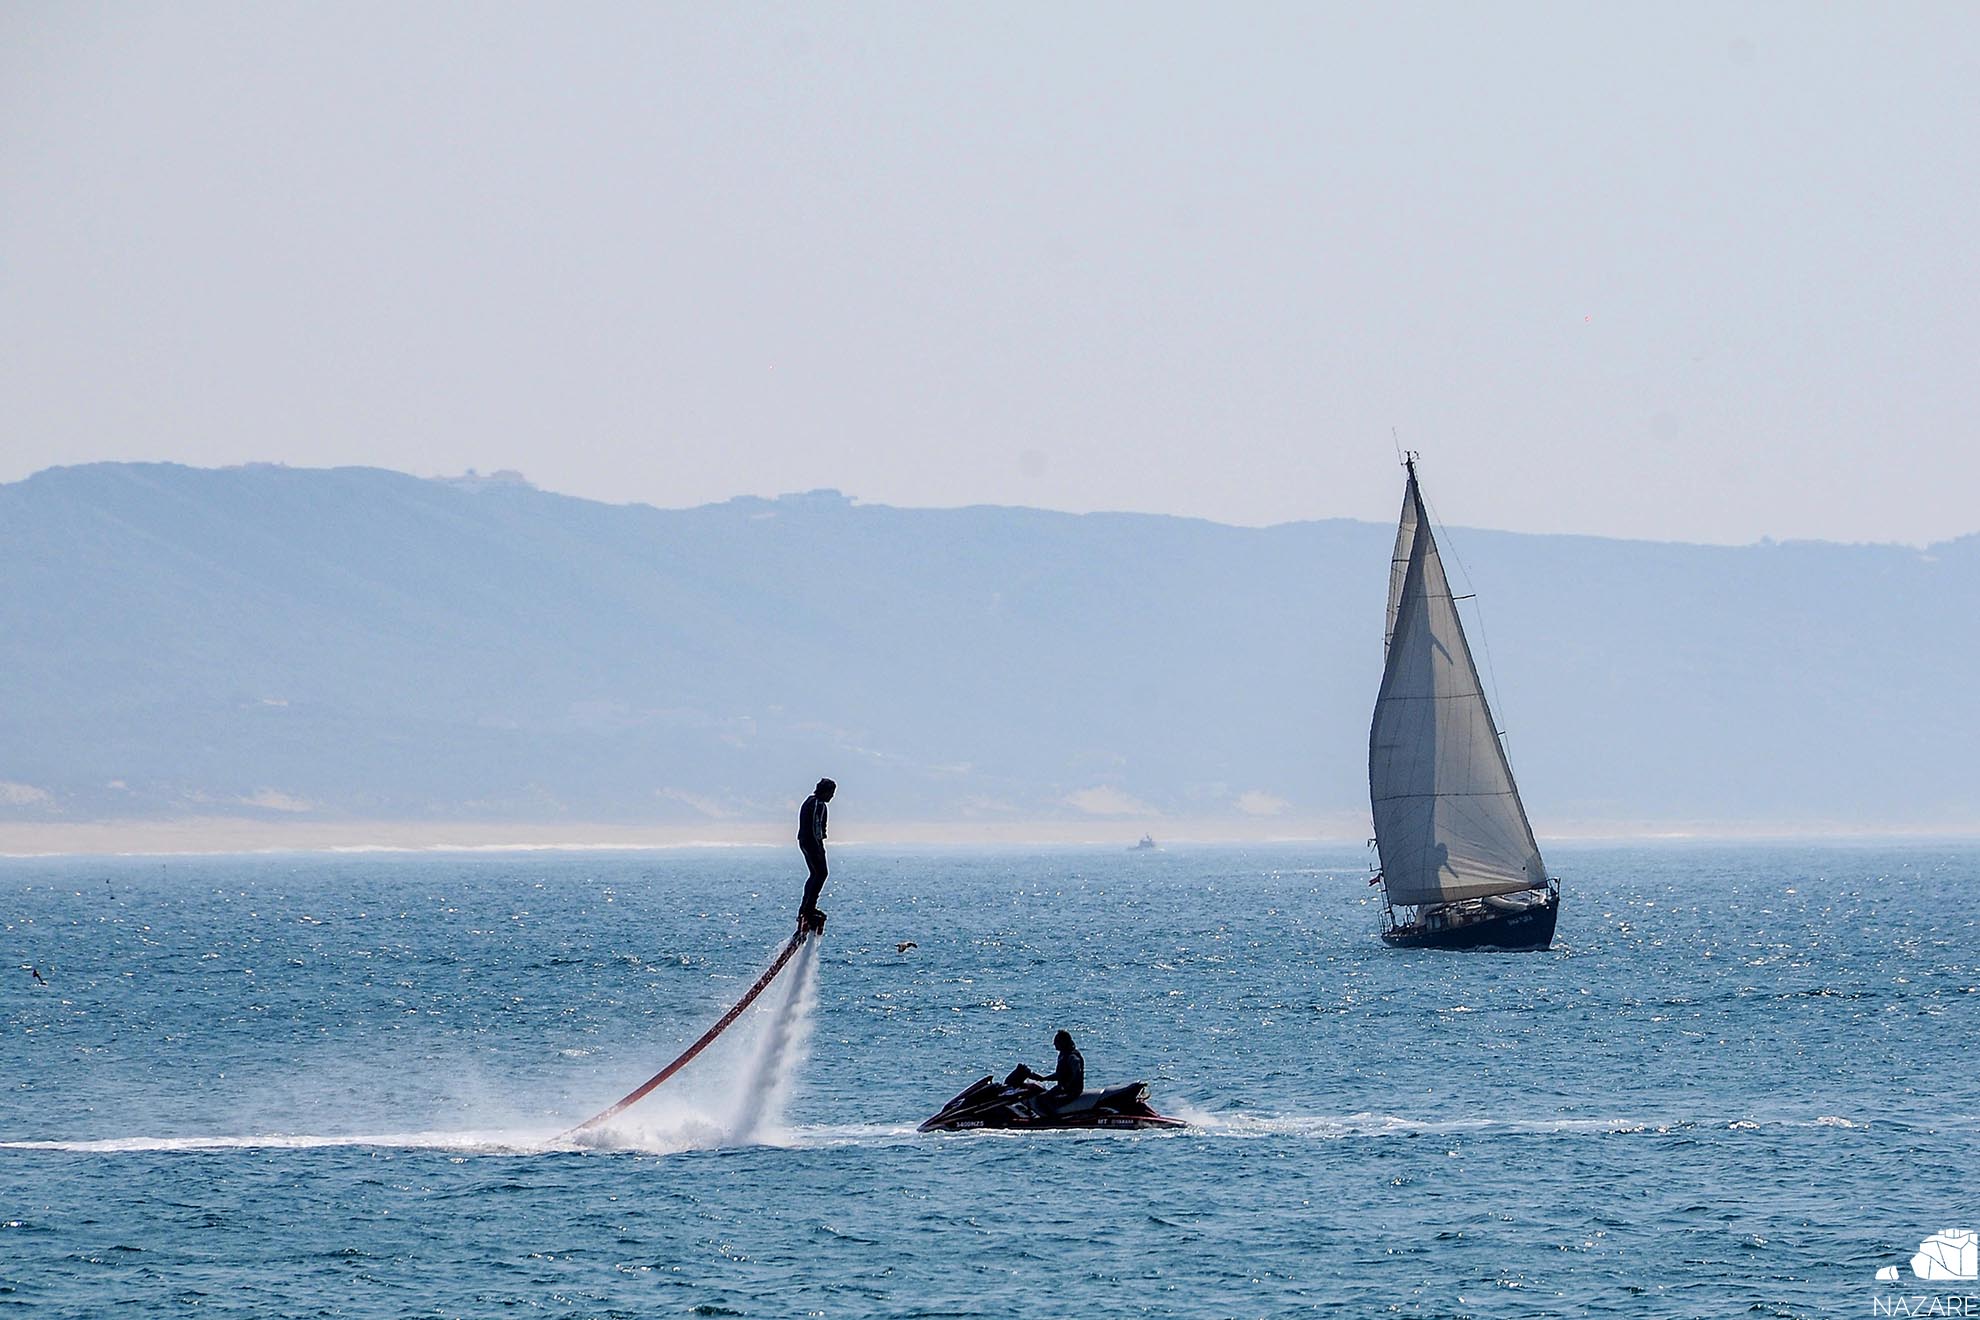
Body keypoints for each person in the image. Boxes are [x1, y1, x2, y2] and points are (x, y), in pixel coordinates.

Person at [796, 777, 835, 936]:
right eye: (831, 793)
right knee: (821, 873)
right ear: (825, 791)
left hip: (804, 841)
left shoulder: (809, 801)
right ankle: (808, 907)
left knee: (815, 874)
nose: (832, 797)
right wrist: (819, 846)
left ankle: (806, 907)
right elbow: (815, 826)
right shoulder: (819, 804)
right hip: (812, 843)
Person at [1026, 1029, 1084, 1110]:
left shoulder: (1072, 1056)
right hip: (1062, 1088)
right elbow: (1060, 1075)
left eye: (1057, 1041)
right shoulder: (1063, 1054)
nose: (1054, 1044)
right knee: (1039, 1095)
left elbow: (1077, 1069)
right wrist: (1043, 1078)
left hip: (1071, 1091)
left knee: (1043, 1099)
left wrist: (1069, 1084)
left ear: (1063, 1042)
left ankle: (1052, 1120)